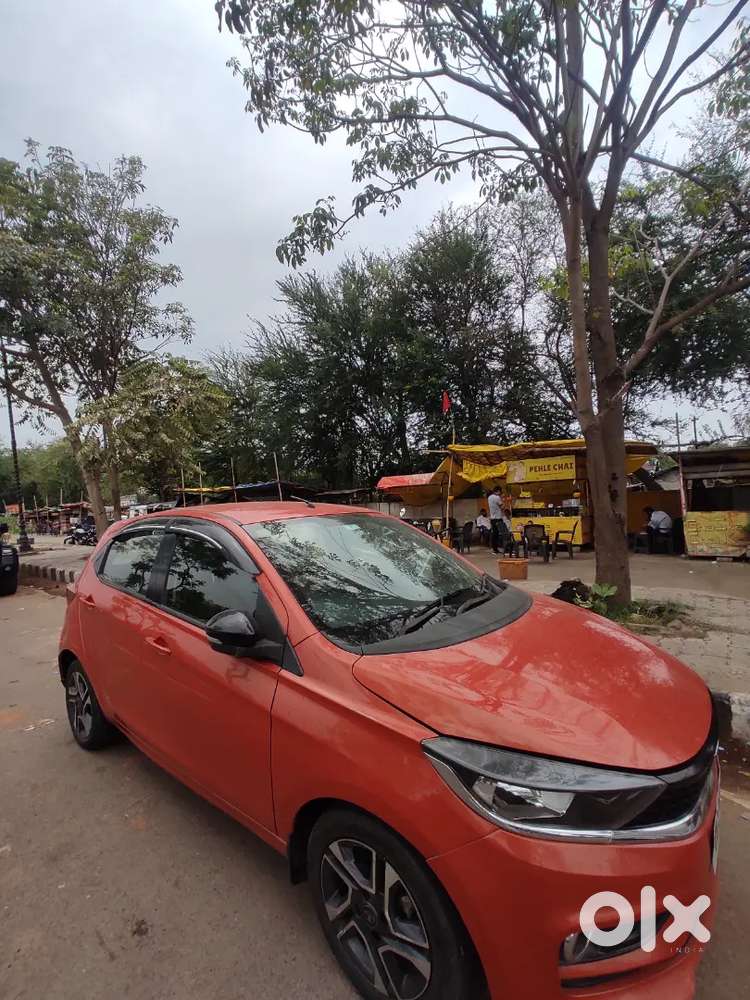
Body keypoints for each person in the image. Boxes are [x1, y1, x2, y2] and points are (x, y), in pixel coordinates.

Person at [488, 488, 509, 554]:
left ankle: (495, 549)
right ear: (498, 491)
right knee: (504, 533)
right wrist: (504, 500)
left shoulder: (489, 497)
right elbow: (502, 507)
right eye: (500, 492)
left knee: (495, 534)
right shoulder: (497, 498)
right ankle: (506, 548)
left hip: (492, 519)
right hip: (498, 518)